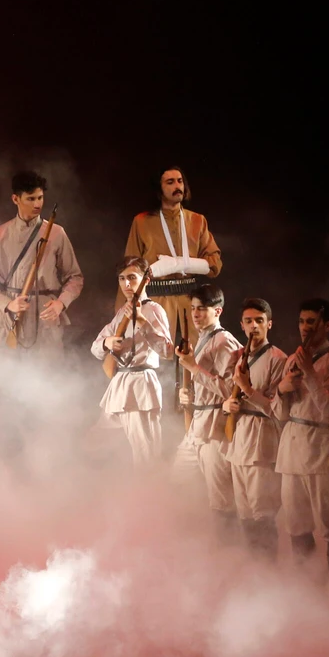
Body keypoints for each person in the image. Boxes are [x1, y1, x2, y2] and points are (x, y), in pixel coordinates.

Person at [271, 299, 329, 569]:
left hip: (320, 450)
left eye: (311, 322)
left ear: (326, 326)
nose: (305, 328)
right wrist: (282, 390)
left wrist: (309, 373)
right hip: (292, 448)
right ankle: (305, 583)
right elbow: (280, 413)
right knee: (296, 524)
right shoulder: (293, 358)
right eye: (302, 322)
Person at [0, 170, 84, 355]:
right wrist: (7, 304)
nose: (37, 204)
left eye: (40, 198)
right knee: (5, 376)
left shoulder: (56, 233)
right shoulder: (0, 235)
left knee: (47, 377)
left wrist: (61, 303)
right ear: (16, 199)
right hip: (9, 316)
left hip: (44, 316)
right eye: (31, 199)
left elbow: (75, 278)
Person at [119, 167, 222, 335]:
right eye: (170, 182)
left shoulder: (197, 220)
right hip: (156, 302)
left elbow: (214, 264)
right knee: (158, 356)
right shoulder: (142, 222)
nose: (177, 186)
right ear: (159, 190)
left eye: (180, 181)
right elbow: (129, 268)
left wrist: (179, 264)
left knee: (193, 356)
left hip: (191, 303)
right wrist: (123, 312)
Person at [221, 299, 288, 558]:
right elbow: (228, 395)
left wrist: (248, 390)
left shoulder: (278, 359)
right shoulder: (238, 358)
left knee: (263, 513)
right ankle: (253, 571)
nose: (254, 326)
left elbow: (277, 409)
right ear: (241, 325)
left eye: (259, 320)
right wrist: (228, 404)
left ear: (269, 324)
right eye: (248, 321)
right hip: (238, 439)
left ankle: (268, 570)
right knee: (245, 514)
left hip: (262, 440)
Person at [91, 256, 173, 465]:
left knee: (146, 453)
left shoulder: (154, 310)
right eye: (121, 278)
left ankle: (148, 494)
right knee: (95, 444)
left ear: (145, 280)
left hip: (141, 384)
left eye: (132, 278)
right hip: (120, 384)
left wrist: (144, 324)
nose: (126, 284)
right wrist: (108, 342)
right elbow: (96, 347)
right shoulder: (121, 312)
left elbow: (167, 351)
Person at [173, 285, 241, 536]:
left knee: (221, 496)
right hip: (198, 422)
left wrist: (193, 369)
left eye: (201, 309)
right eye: (193, 309)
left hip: (216, 425)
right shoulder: (203, 338)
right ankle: (196, 542)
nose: (195, 314)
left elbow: (232, 389)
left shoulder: (224, 341)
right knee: (179, 482)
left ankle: (230, 552)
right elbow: (203, 382)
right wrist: (187, 395)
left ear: (218, 310)